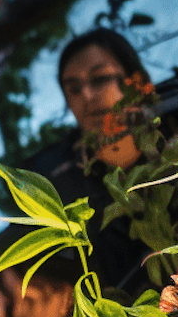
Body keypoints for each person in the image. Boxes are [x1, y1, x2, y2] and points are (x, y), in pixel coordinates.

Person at [27, 28, 154, 293]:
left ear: (136, 82)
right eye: (73, 89)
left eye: (100, 79)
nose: (86, 95)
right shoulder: (63, 184)